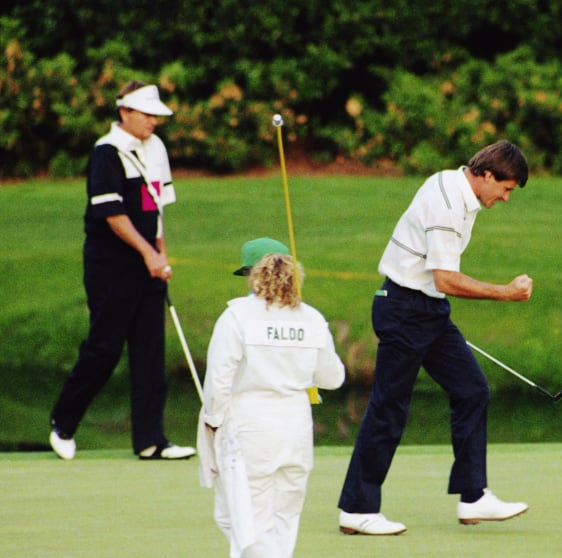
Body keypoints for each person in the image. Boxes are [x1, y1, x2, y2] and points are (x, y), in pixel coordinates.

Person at [337, 140, 532, 535]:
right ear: (488, 175)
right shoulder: (447, 201)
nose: (506, 198)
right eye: (506, 189)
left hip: (427, 309)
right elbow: (446, 278)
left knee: (472, 389)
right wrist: (506, 292)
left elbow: (438, 284)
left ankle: (473, 496)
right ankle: (357, 509)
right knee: (389, 407)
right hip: (405, 309)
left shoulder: (455, 186)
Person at [49, 80, 195, 461]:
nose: (152, 122)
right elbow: (112, 215)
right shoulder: (106, 153)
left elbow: (157, 208)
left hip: (148, 263)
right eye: (146, 114)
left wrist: (162, 255)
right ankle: (63, 423)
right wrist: (148, 254)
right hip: (109, 266)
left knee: (150, 351)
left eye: (156, 115)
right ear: (124, 112)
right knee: (104, 348)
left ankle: (151, 440)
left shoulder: (156, 149)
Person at [198, 247, 346, 557]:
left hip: (249, 425)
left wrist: (213, 420)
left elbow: (218, 382)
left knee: (245, 517)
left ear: (254, 278)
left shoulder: (236, 316)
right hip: (296, 427)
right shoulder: (312, 318)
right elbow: (332, 377)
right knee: (284, 515)